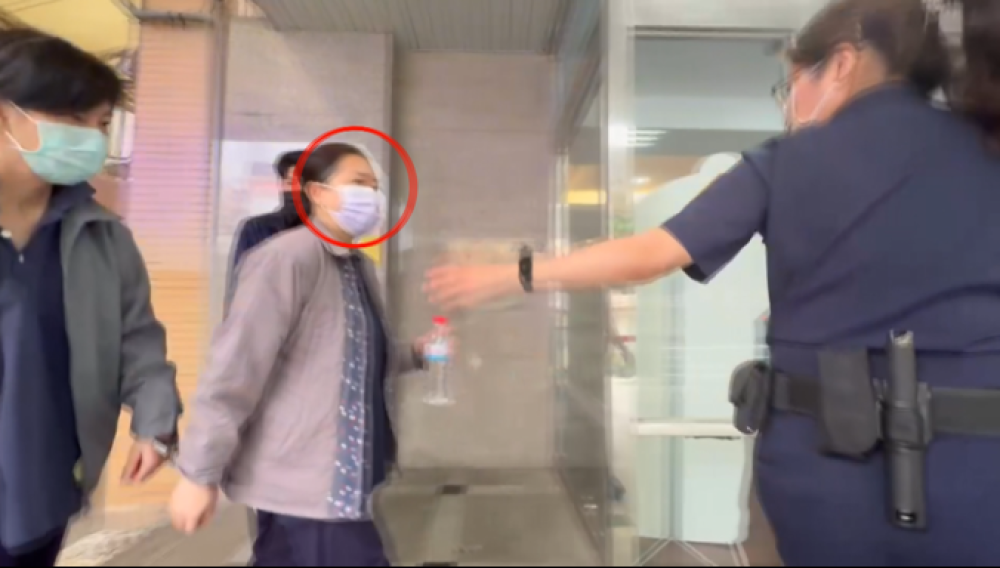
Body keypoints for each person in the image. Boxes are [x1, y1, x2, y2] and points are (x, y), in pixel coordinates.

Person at [425, 0, 1000, 565]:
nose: (790, 103)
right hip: (980, 469)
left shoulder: (789, 161)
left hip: (827, 473)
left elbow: (648, 255)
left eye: (791, 83)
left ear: (843, 63)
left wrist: (513, 274)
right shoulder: (986, 148)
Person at [169, 142, 438, 567]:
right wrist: (198, 473)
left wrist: (417, 354)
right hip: (307, 484)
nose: (371, 196)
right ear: (316, 193)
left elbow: (354, 360)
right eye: (358, 183)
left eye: (374, 186)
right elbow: (235, 368)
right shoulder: (285, 259)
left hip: (329, 481)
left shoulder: (356, 266)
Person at [0, 29, 181, 566]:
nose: (92, 138)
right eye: (73, 119)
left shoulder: (102, 236)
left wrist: (156, 424)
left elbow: (138, 342)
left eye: (101, 124)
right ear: (6, 117)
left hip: (43, 501)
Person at [227, 149, 309, 293]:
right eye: (291, 183)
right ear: (281, 185)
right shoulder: (257, 228)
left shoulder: (331, 232)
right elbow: (239, 287)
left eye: (304, 183)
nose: (297, 189)